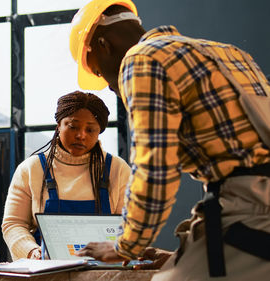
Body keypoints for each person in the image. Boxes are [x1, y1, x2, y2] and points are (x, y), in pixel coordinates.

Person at [69, 0, 270, 280]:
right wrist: (183, 255)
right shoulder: (229, 53)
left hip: (247, 210)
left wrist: (125, 247)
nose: (111, 87)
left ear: (104, 45)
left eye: (101, 73)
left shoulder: (141, 60)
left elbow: (155, 171)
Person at [2, 91, 131, 260]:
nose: (81, 135)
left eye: (90, 129)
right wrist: (31, 251)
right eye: (73, 126)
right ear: (59, 125)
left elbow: (131, 225)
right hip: (47, 270)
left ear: (99, 132)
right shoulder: (31, 169)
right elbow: (14, 224)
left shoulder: (118, 169)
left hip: (105, 270)